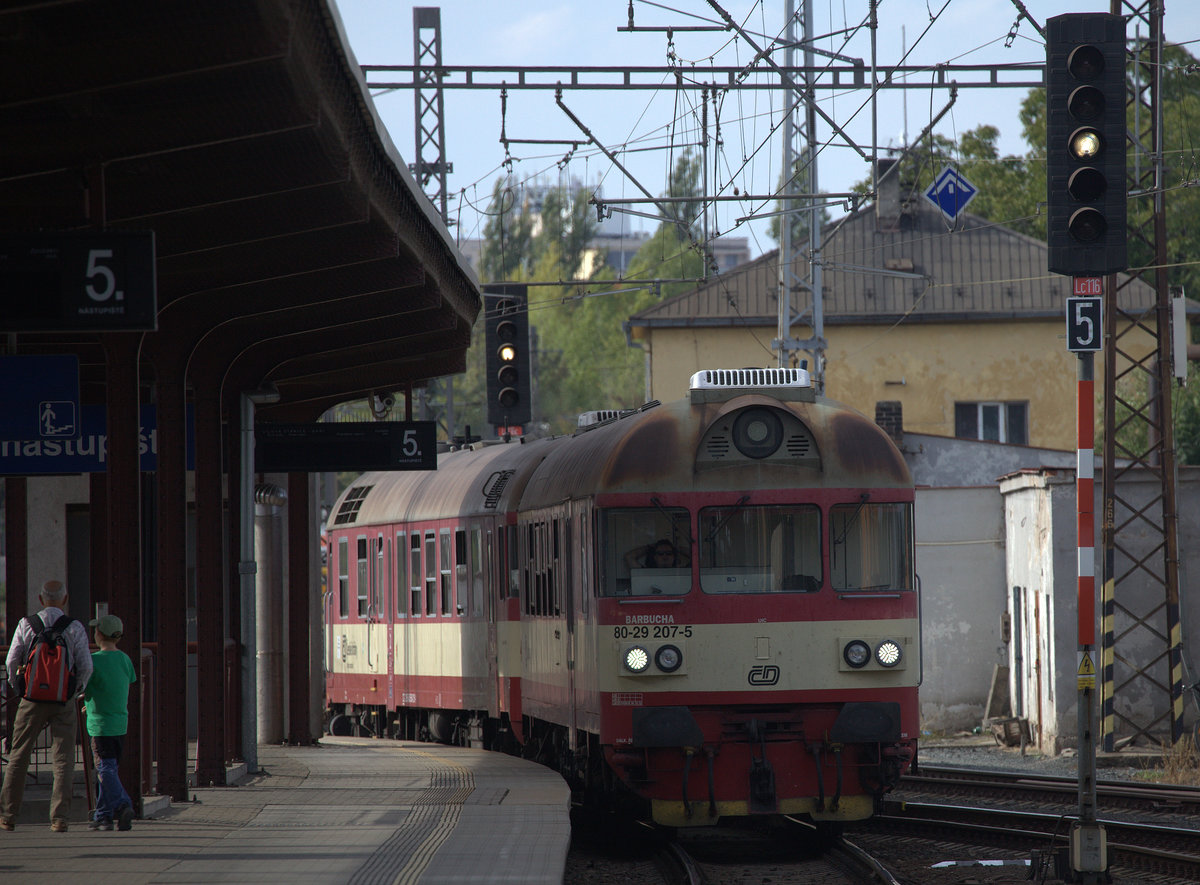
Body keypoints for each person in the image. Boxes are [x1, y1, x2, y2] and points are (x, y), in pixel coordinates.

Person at [1, 580, 93, 832]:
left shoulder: (27, 624)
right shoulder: (74, 627)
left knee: (19, 755)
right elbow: (86, 666)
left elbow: (11, 660)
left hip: (32, 699)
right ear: (65, 599)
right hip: (63, 700)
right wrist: (73, 691)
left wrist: (21, 688)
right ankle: (59, 818)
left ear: (41, 600)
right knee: (63, 759)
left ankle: (8, 816)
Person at [83, 613, 137, 831]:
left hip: (100, 724)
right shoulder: (125, 659)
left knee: (104, 769)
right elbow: (122, 684)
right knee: (111, 768)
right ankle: (103, 816)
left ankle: (123, 804)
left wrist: (88, 703)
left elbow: (85, 688)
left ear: (98, 634)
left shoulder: (93, 661)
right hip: (120, 723)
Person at [624, 539, 690, 570]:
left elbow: (696, 557)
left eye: (669, 553)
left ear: (674, 556)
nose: (665, 556)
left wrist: (676, 548)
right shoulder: (645, 572)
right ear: (655, 557)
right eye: (660, 554)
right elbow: (629, 556)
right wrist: (649, 547)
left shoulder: (682, 572)